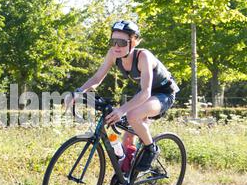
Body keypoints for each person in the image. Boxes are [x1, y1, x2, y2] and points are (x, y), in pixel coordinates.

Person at [68, 20, 180, 174]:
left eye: (121, 42)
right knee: (127, 136)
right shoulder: (113, 54)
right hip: (142, 93)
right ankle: (128, 175)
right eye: (113, 41)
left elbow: (146, 92)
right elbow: (96, 79)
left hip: (163, 93)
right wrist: (77, 92)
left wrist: (121, 110)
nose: (116, 46)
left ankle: (151, 148)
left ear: (134, 42)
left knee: (132, 115)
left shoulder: (143, 56)